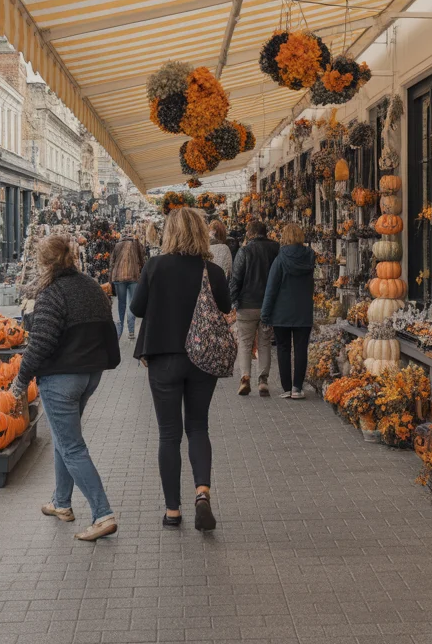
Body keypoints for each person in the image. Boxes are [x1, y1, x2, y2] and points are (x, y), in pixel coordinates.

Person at [10, 234, 121, 541]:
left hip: (61, 377)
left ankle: (103, 513)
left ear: (44, 263)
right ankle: (61, 502)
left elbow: (41, 342)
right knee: (64, 436)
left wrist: (20, 381)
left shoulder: (52, 292)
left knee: (72, 446)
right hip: (91, 374)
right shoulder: (88, 285)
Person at [131, 208, 231, 531]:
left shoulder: (155, 266)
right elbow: (226, 307)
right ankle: (202, 493)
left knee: (169, 434)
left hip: (163, 359)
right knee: (199, 426)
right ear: (201, 233)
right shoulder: (212, 271)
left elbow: (136, 308)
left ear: (169, 233)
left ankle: (172, 511)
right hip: (202, 359)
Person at [261, 222, 315, 400]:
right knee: (301, 349)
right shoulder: (309, 258)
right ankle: (297, 388)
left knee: (283, 349)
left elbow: (271, 288)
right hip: (303, 311)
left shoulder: (280, 259)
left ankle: (286, 388)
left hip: (281, 313)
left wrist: (266, 314)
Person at [228, 221, 280, 397]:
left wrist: (233, 300)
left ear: (250, 233)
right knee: (265, 342)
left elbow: (236, 278)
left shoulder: (245, 251)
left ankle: (245, 378)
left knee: (245, 342)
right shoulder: (275, 249)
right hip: (268, 305)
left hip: (247, 305)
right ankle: (263, 381)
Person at [109, 231, 146, 341]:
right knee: (131, 303)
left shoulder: (117, 245)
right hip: (133, 277)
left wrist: (110, 280)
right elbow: (142, 258)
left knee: (121, 303)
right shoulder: (135, 244)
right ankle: (131, 331)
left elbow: (112, 263)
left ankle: (120, 330)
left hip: (119, 278)